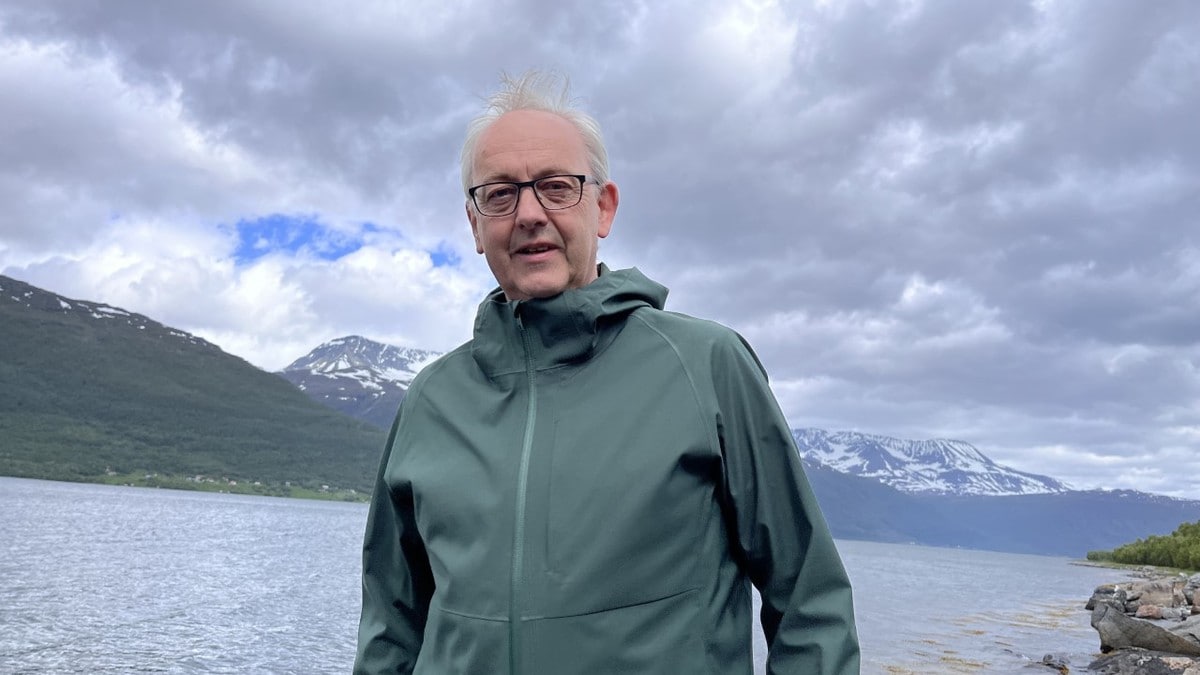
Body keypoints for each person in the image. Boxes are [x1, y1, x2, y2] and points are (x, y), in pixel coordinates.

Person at [354, 71, 860, 675]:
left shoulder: (706, 366)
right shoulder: (432, 399)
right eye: (500, 194)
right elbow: (391, 624)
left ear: (604, 208)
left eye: (556, 187)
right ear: (474, 224)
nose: (529, 214)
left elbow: (810, 603)